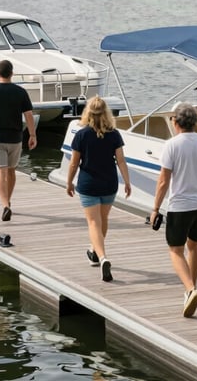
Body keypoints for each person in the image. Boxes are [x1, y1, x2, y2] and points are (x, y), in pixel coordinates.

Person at [149, 102, 197, 317]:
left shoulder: (172, 145)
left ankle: (191, 289)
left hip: (181, 206)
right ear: (195, 122)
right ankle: (190, 289)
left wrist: (155, 208)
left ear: (175, 122)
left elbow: (163, 181)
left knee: (175, 249)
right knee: (194, 246)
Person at [66, 96, 131, 282]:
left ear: (88, 112)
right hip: (109, 184)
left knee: (94, 223)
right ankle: (94, 252)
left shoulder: (81, 135)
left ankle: (102, 257)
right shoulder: (114, 134)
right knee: (103, 219)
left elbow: (73, 163)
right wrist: (127, 182)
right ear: (106, 113)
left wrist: (69, 182)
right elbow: (121, 161)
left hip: (88, 185)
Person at [0, 59, 37, 221]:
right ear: (12, 74)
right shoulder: (20, 92)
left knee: (0, 171)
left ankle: (5, 205)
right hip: (15, 139)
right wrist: (32, 135)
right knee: (11, 171)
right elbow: (29, 115)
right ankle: (8, 201)